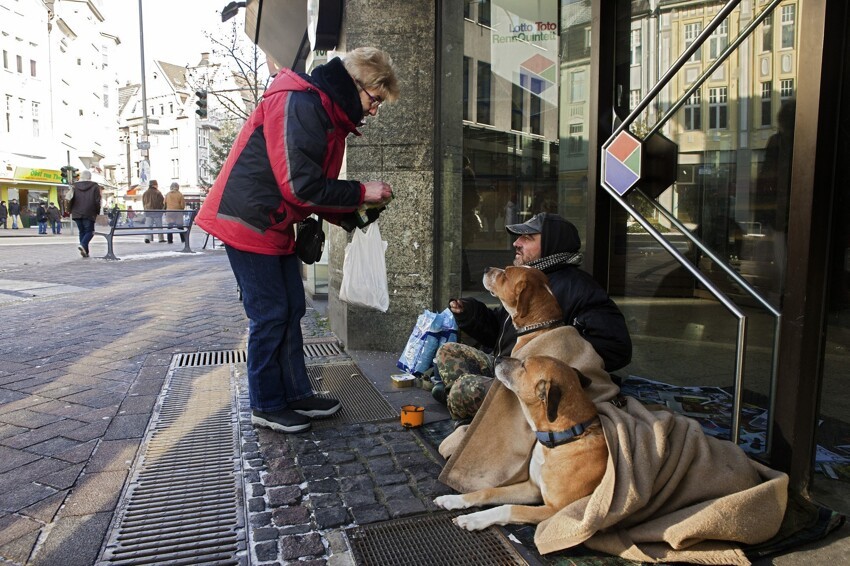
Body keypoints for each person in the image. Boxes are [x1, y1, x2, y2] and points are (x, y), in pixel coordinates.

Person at [195, 46, 399, 434]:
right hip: (247, 220)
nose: (374, 110)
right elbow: (301, 187)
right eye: (375, 100)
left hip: (271, 221)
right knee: (270, 314)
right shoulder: (299, 103)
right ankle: (267, 404)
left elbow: (308, 186)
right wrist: (359, 193)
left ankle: (295, 394)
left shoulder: (326, 112)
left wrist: (353, 215)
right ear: (355, 85)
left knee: (290, 309)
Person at [433, 212, 633, 423]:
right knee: (447, 352)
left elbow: (618, 347)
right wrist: (470, 312)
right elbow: (499, 332)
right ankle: (470, 405)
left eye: (527, 238)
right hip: (508, 366)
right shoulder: (525, 278)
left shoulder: (581, 289)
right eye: (519, 238)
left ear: (552, 245)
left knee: (462, 390)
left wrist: (560, 348)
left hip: (533, 384)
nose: (516, 243)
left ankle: (468, 409)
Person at [68, 170, 102, 257]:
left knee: (82, 231)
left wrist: (70, 210)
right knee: (90, 232)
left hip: (76, 212)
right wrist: (97, 211)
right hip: (89, 212)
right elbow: (97, 201)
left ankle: (85, 252)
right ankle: (83, 245)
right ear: (89, 177)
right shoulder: (94, 186)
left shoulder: (74, 186)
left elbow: (70, 199)